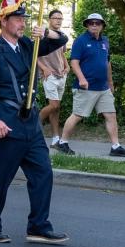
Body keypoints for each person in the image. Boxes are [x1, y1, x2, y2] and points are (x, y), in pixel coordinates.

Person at [0, 4, 70, 244]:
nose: (22, 23)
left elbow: (60, 40)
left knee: (43, 174)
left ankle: (38, 226)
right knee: (0, 178)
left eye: (23, 19)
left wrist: (46, 32)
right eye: (17, 19)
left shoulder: (27, 45)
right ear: (3, 21)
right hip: (6, 122)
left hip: (30, 124)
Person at [55, 13, 125, 158]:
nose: (94, 25)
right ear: (87, 25)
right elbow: (74, 62)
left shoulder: (105, 41)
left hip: (103, 88)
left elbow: (107, 63)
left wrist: (110, 83)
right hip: (85, 87)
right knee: (77, 115)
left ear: (102, 26)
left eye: (97, 23)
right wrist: (82, 79)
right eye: (91, 23)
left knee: (111, 115)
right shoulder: (81, 40)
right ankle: (62, 142)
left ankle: (115, 147)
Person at [36, 9, 68, 149]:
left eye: (60, 18)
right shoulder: (42, 35)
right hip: (49, 76)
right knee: (53, 105)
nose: (58, 20)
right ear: (49, 20)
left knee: (56, 108)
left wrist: (67, 66)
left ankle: (56, 139)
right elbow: (34, 55)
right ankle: (33, 125)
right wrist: (44, 68)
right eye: (55, 18)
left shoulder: (61, 36)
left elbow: (62, 54)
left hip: (61, 75)